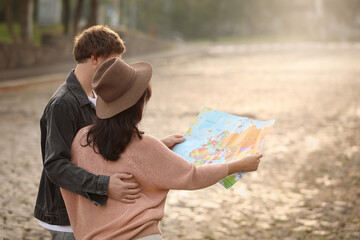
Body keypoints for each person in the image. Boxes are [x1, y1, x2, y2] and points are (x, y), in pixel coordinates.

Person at [61, 57, 263, 240]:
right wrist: (237, 165)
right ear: (136, 106)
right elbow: (192, 176)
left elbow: (116, 160)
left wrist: (160, 145)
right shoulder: (140, 145)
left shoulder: (81, 138)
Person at [34, 25, 183, 239]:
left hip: (92, 210)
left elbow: (105, 146)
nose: (118, 67)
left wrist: (156, 146)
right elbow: (55, 166)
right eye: (113, 61)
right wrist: (105, 186)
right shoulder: (63, 104)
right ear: (95, 58)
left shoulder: (100, 94)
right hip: (68, 216)